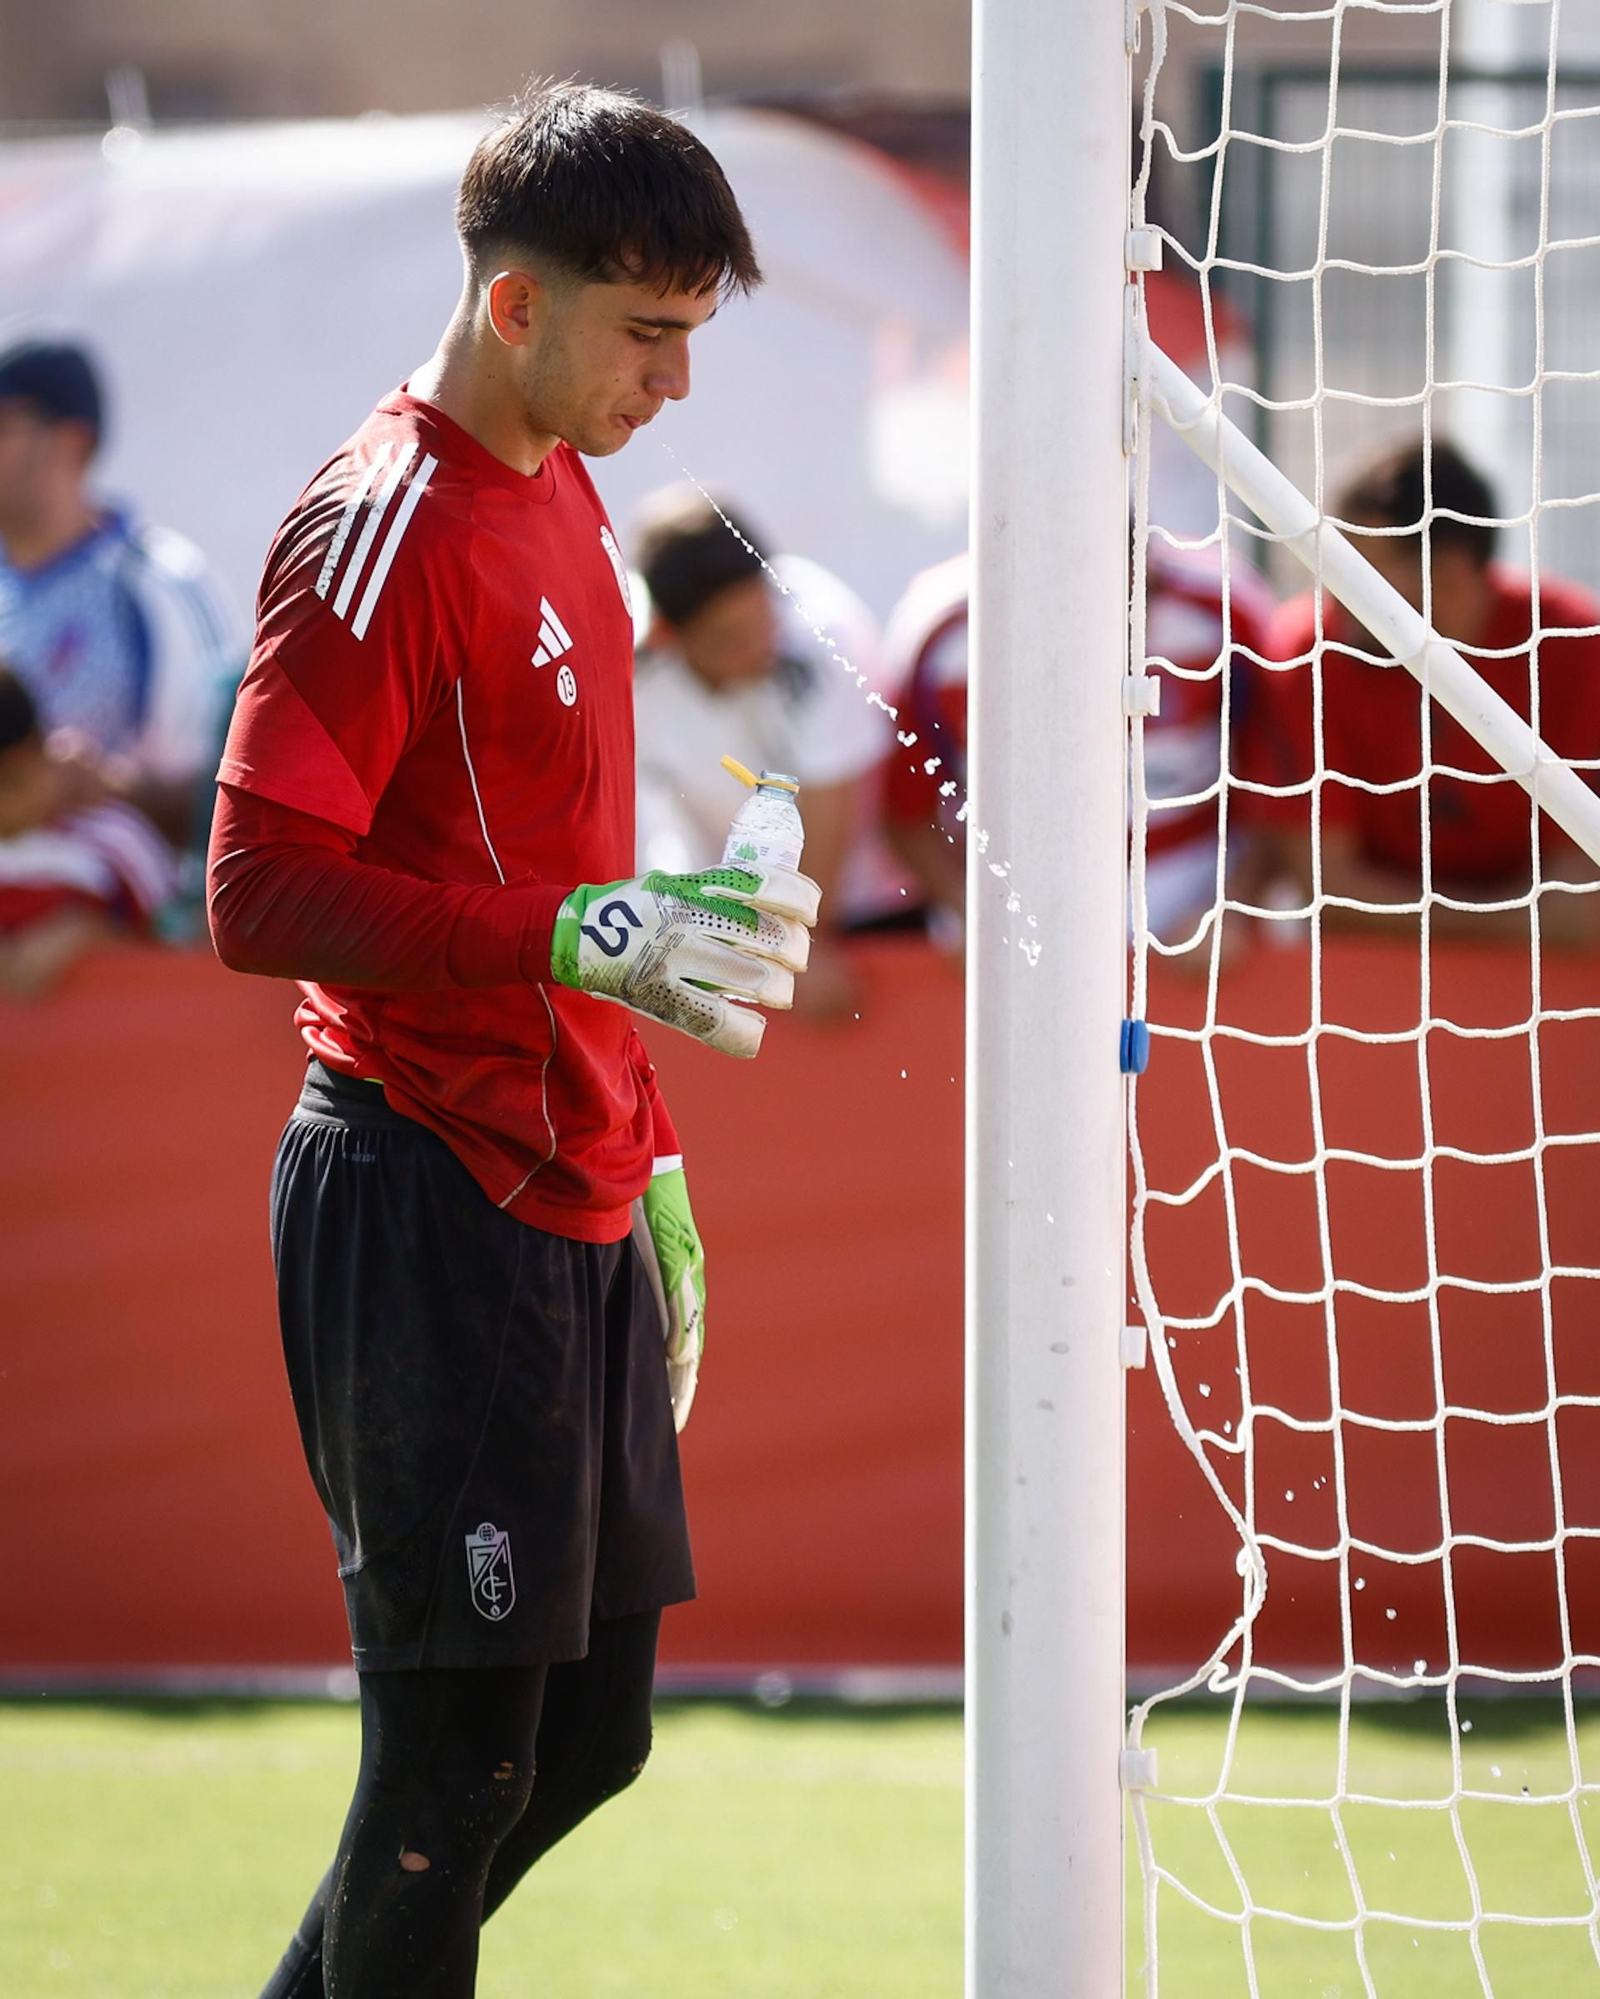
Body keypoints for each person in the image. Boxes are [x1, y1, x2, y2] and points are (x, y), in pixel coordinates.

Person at [205, 84, 818, 1998]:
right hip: (422, 1184)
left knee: (584, 1737)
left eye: (695, 337)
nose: (679, 388)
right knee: (448, 1774)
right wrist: (570, 935)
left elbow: (553, 865)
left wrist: (644, 1141)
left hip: (573, 1181)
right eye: (652, 335)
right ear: (518, 307)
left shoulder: (567, 493)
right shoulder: (371, 528)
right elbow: (255, 888)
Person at [1251, 438, 1600, 944]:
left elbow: (1582, 900)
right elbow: (1330, 889)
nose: (1336, 593)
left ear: (1453, 576)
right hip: (1374, 981)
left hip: (1547, 992)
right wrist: (1515, 923)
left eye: (1360, 575)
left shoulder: (1577, 648)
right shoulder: (1306, 655)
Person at [880, 540, 1276, 945]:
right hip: (1005, 900)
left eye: (1121, 607)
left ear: (1149, 570)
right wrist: (969, 912)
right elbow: (907, 811)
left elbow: (1280, 785)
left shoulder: (1225, 607)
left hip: (1192, 894)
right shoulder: (938, 631)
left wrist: (1234, 907)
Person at [630, 486, 892, 1011]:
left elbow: (829, 797)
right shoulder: (632, 667)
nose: (759, 646)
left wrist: (806, 945)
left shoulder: (820, 630)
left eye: (761, 620)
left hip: (864, 910)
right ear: (667, 636)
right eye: (729, 637)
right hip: (728, 926)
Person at [0, 337, 242, 849]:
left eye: (4, 422)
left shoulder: (158, 584)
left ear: (71, 442)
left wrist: (105, 789)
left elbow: (234, 798)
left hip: (114, 912)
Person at [0, 660, 175, 998]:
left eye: (11, 783)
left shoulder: (118, 841)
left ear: (42, 753)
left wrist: (89, 934)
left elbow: (182, 953)